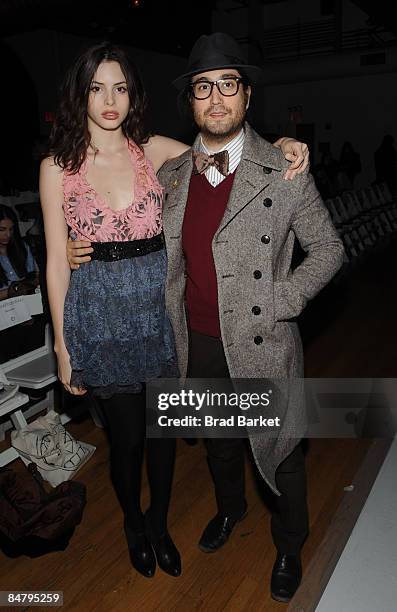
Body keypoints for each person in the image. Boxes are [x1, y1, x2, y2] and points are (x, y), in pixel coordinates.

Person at [41, 41, 309, 582]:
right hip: (102, 322)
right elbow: (54, 264)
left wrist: (283, 145)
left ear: (133, 94)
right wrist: (63, 350)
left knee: (163, 436)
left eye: (120, 87)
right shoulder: (56, 167)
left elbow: (227, 149)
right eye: (98, 88)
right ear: (81, 95)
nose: (110, 100)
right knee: (126, 444)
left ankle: (161, 525)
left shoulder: (154, 149)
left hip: (161, 317)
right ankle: (135, 525)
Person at [159, 32, 343, 603]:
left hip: (262, 338)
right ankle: (230, 510)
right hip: (197, 340)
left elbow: (330, 249)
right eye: (203, 87)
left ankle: (290, 543)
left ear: (247, 96)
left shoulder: (283, 170)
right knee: (217, 442)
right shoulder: (170, 176)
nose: (216, 99)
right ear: (190, 100)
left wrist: (287, 300)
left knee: (280, 449)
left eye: (228, 85)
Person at [0, 204, 39, 301]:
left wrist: (25, 285)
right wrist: (10, 291)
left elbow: (35, 277)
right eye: (2, 230)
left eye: (11, 229)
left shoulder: (22, 247)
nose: (8, 234)